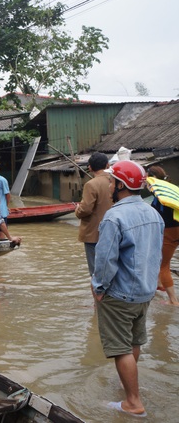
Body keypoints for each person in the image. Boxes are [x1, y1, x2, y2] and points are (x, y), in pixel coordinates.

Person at [92, 160, 164, 418]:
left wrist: (98, 288)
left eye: (111, 181)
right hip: (145, 292)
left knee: (121, 347)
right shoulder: (153, 213)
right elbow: (156, 254)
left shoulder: (114, 216)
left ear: (121, 185)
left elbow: (105, 260)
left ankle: (133, 402)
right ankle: (127, 387)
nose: (109, 185)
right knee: (133, 341)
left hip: (120, 294)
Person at [75, 152, 113, 276]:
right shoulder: (114, 181)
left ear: (90, 167)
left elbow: (85, 209)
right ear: (107, 165)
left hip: (94, 233)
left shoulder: (91, 184)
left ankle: (99, 294)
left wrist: (77, 209)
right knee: (111, 267)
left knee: (96, 271)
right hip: (113, 231)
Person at [146, 165, 179, 306]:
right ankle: (159, 284)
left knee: (163, 266)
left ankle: (173, 301)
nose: (146, 184)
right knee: (165, 261)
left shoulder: (159, 197)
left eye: (147, 180)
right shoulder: (170, 190)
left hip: (170, 232)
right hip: (177, 228)